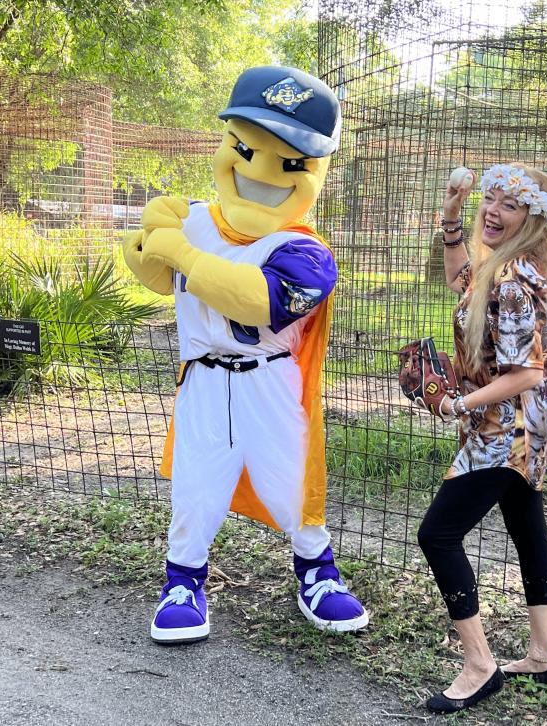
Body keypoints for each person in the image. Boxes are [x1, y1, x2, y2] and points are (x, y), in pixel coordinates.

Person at [123, 66, 368, 643]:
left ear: (314, 172)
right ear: (227, 142)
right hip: (205, 381)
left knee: (291, 487)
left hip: (270, 383)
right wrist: (143, 238)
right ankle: (183, 582)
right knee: (195, 487)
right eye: (246, 147)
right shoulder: (195, 221)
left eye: (288, 162)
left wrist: (180, 250)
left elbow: (258, 301)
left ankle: (317, 575)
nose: (260, 169)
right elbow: (155, 276)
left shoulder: (307, 252)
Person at [415, 163, 547, 713]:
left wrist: (456, 403)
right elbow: (462, 280)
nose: (494, 208)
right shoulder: (519, 268)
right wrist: (453, 218)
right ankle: (542, 653)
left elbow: (526, 371)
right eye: (493, 198)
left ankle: (480, 665)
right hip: (531, 424)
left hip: (504, 429)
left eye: (509, 204)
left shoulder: (512, 283)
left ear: (530, 218)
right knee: (526, 526)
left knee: (437, 534)